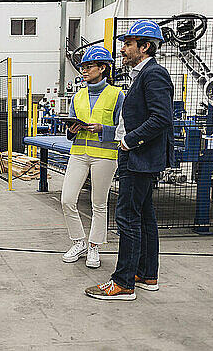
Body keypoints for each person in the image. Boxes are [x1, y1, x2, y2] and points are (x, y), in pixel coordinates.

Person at [85, 20, 174, 300]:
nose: (122, 49)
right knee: (145, 217)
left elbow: (161, 118)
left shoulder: (154, 74)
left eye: (128, 44)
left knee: (127, 218)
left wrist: (128, 141)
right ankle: (147, 274)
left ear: (144, 46)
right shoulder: (142, 74)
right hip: (139, 156)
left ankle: (123, 282)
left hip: (139, 156)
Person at [61, 46, 124, 268]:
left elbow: (123, 129)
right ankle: (79, 242)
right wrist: (72, 129)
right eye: (83, 67)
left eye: (89, 67)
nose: (84, 71)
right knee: (67, 199)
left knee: (99, 203)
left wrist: (103, 129)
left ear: (103, 68)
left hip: (105, 155)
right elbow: (68, 130)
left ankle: (94, 246)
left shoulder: (117, 95)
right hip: (78, 153)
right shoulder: (77, 97)